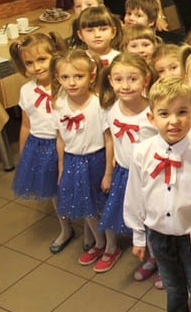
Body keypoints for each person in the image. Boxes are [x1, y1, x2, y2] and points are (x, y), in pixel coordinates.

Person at [124, 76, 191, 312]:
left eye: (182, 112)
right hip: (157, 233)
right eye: (164, 113)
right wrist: (138, 235)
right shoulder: (141, 152)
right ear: (151, 118)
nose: (174, 121)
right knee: (172, 285)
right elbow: (135, 195)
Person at [51, 50, 113, 268]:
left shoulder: (99, 104)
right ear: (57, 78)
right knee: (86, 206)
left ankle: (111, 246)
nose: (72, 82)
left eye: (78, 76)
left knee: (103, 206)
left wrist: (108, 172)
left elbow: (109, 140)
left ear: (91, 76)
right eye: (65, 77)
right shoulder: (58, 104)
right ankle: (99, 241)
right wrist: (61, 165)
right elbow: (60, 137)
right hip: (73, 161)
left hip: (97, 160)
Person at [9, 33, 68, 252]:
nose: (36, 67)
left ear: (55, 55)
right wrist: (24, 153)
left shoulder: (67, 85)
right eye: (29, 63)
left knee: (76, 186)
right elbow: (26, 124)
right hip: (41, 146)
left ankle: (92, 233)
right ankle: (65, 228)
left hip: (68, 145)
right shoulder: (26, 91)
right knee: (53, 190)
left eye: (42, 59)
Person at [97, 53, 156, 273]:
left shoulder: (152, 112)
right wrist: (108, 173)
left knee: (153, 220)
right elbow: (111, 140)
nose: (125, 86)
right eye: (119, 79)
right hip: (124, 173)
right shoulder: (111, 109)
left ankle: (159, 260)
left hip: (151, 177)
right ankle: (148, 255)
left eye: (132, 79)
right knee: (136, 216)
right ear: (110, 81)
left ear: (145, 79)